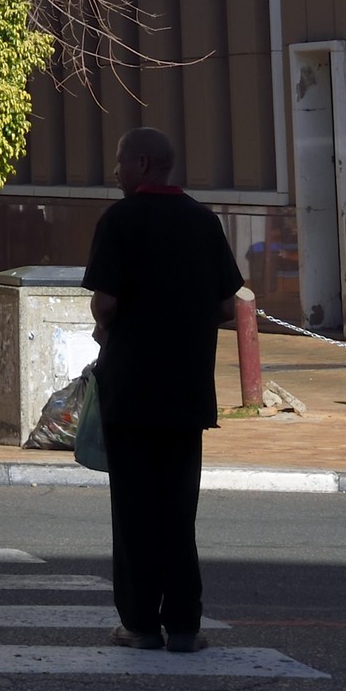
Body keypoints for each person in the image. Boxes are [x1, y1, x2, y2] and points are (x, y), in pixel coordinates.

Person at [82, 125, 242, 653]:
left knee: (133, 512)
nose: (116, 172)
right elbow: (226, 306)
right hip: (187, 391)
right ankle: (186, 625)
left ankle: (141, 624)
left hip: (130, 391)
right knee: (179, 510)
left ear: (144, 164)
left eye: (121, 161)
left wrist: (114, 326)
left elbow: (103, 304)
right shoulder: (203, 221)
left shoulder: (120, 220)